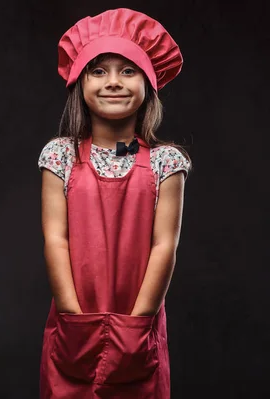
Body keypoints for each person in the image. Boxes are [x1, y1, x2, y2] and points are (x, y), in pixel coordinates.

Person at [37, 8, 192, 399]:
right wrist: (73, 317)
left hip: (139, 322)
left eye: (127, 71)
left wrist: (138, 324)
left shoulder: (165, 162)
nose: (113, 83)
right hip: (74, 323)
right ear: (79, 84)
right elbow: (56, 239)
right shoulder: (60, 156)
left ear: (148, 84)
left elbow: (164, 246)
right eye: (99, 71)